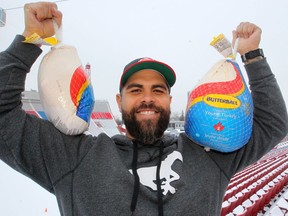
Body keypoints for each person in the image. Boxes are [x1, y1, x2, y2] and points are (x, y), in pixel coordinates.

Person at [0, 2, 287, 216]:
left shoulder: (207, 155)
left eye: (158, 90)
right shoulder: (75, 158)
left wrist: (252, 55)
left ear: (170, 102)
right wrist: (30, 40)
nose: (148, 98)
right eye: (136, 90)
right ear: (119, 100)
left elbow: (273, 123)